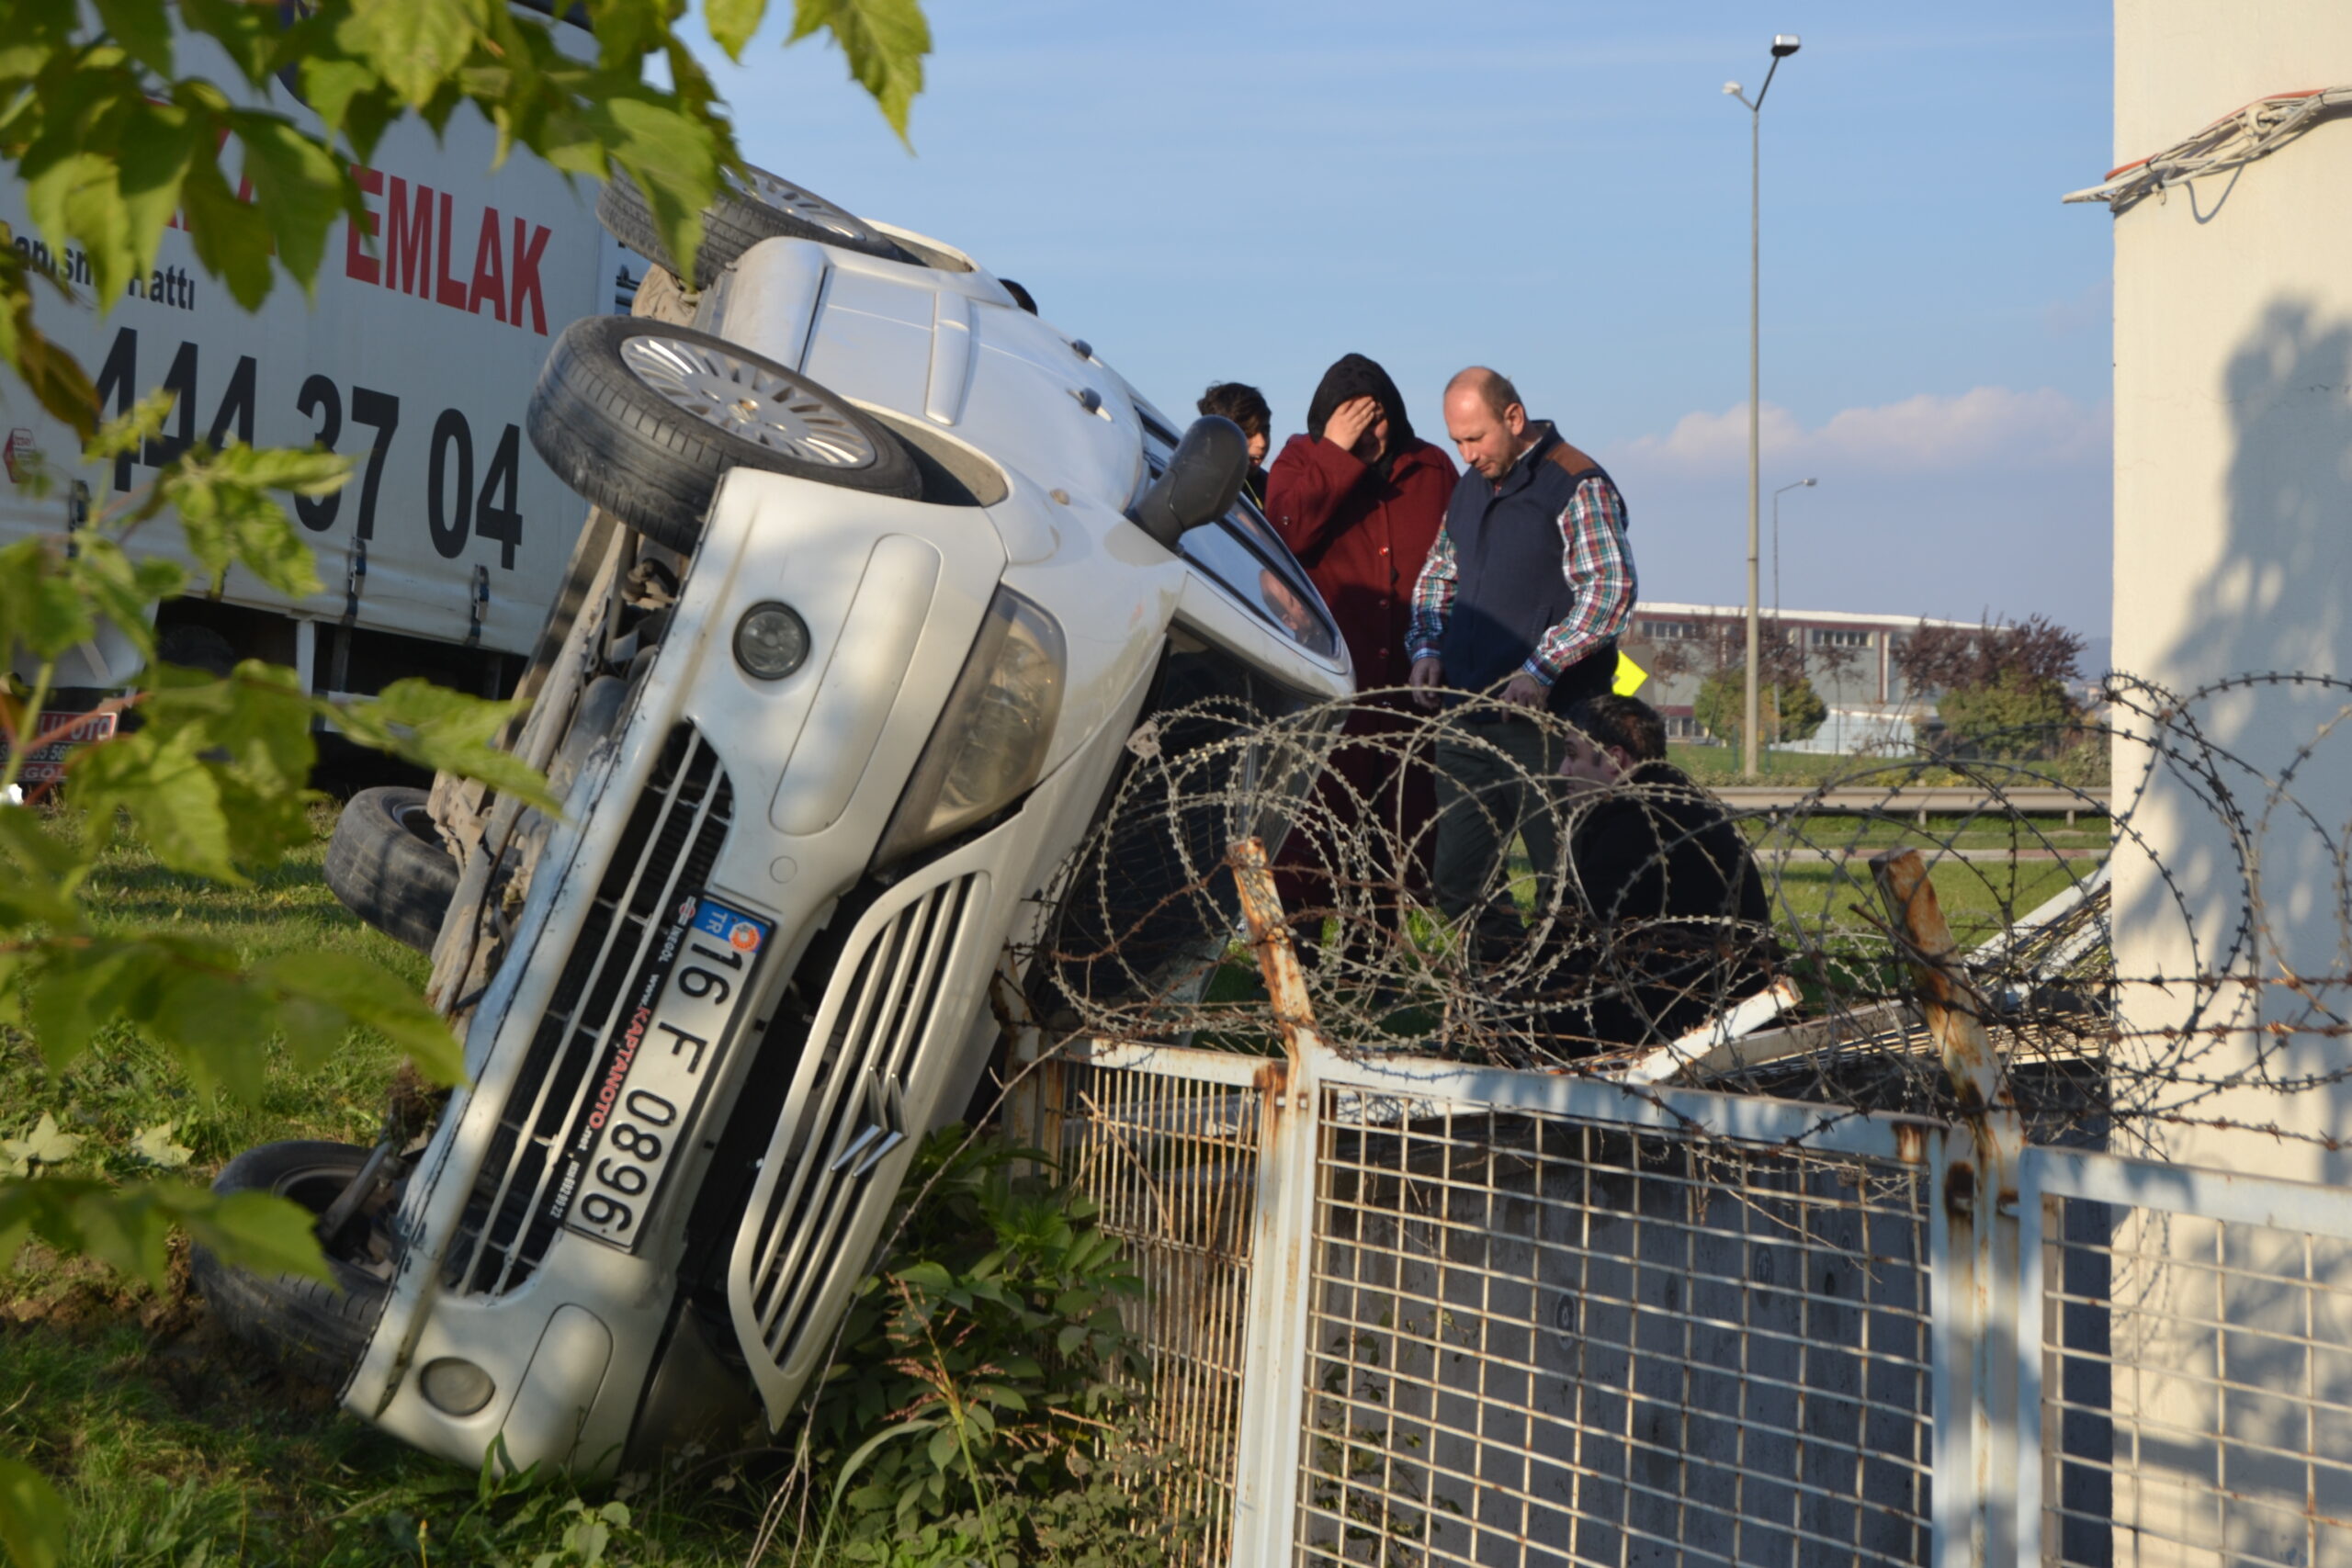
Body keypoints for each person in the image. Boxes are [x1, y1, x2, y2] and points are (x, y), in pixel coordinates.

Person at [1408, 366, 1637, 967]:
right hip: (1467, 714)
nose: (1466, 454)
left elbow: (1609, 591)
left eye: (1475, 437)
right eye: (1457, 440)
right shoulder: (1470, 488)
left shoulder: (1576, 483)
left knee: (1563, 881)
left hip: (1550, 726)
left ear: (1513, 417)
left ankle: (1570, 994)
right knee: (1458, 880)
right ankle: (1504, 981)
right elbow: (1438, 575)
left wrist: (1541, 668)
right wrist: (1427, 648)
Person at [1261, 354, 1459, 953]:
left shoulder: (1432, 468)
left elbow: (1458, 560)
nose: (1370, 435)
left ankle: (1369, 964)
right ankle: (1299, 960)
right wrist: (1336, 454)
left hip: (1409, 687)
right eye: (1352, 421)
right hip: (1329, 687)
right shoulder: (1300, 460)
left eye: (1377, 421)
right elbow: (1285, 531)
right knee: (1310, 830)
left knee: (1394, 835)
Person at [1542, 694, 1774, 1052]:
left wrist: (1504, 980)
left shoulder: (1637, 821)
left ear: (1614, 759)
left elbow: (1572, 928)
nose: (1563, 770)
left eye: (1573, 755)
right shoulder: (1666, 800)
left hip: (1689, 1012)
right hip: (1719, 993)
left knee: (1526, 1010)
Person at [1198, 381, 1273, 506]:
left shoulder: (1270, 486)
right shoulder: (1198, 487)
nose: (1261, 443)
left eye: (1265, 430)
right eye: (1248, 433)